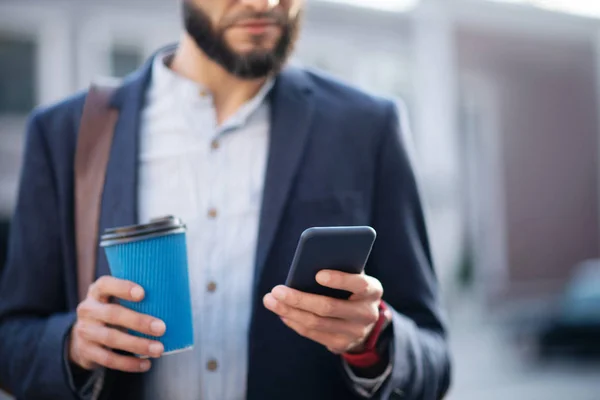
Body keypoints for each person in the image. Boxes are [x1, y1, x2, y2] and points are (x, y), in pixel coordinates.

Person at [0, 0, 451, 399]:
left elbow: (434, 359)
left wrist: (372, 340)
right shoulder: (66, 134)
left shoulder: (368, 128)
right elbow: (11, 343)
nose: (264, 3)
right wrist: (74, 346)